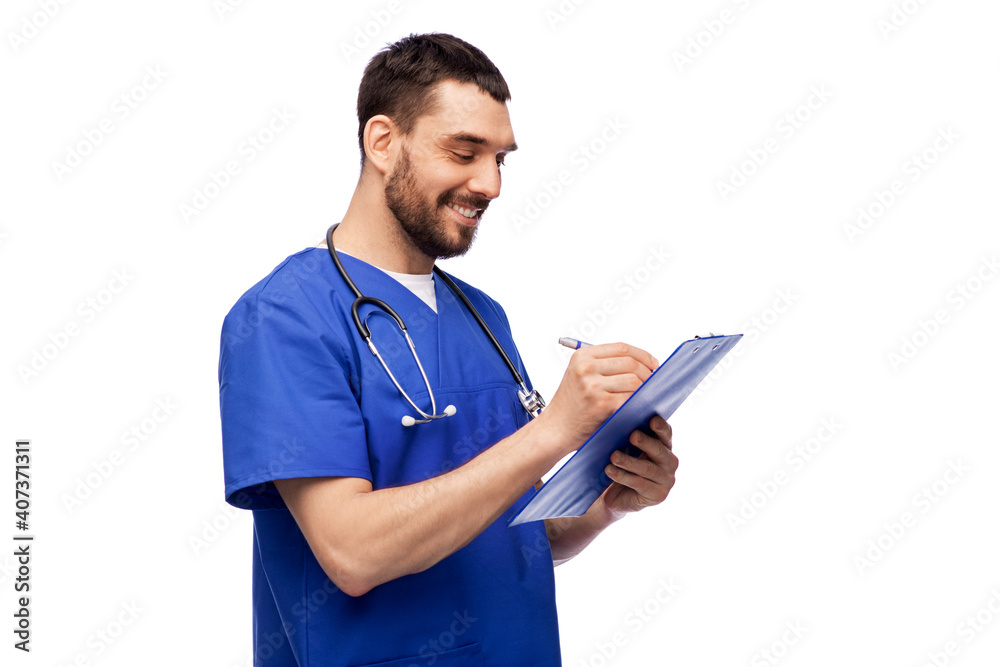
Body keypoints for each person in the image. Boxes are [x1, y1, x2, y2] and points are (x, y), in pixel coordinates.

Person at [218, 32, 679, 667]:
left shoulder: (482, 317)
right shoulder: (284, 318)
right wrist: (552, 431)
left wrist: (607, 504)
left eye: (501, 159)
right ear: (383, 142)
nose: (490, 184)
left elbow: (514, 528)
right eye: (463, 152)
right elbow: (353, 553)